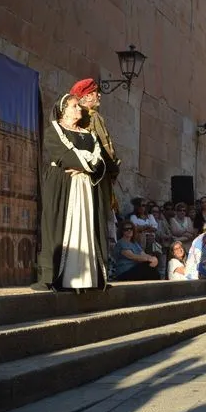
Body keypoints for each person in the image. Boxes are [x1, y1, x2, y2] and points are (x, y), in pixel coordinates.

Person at [36, 93, 107, 291]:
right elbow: (63, 155)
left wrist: (86, 167)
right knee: (63, 226)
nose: (79, 109)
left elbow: (99, 160)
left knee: (86, 226)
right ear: (63, 111)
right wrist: (87, 162)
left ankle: (86, 278)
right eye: (74, 106)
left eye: (78, 106)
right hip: (62, 185)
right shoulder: (55, 131)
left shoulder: (89, 134)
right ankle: (62, 277)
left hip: (86, 187)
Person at [70, 78, 120, 275]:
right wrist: (114, 169)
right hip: (99, 175)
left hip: (85, 174)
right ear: (87, 96)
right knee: (103, 219)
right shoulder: (93, 117)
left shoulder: (75, 119)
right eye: (95, 92)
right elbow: (106, 149)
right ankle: (102, 268)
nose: (99, 95)